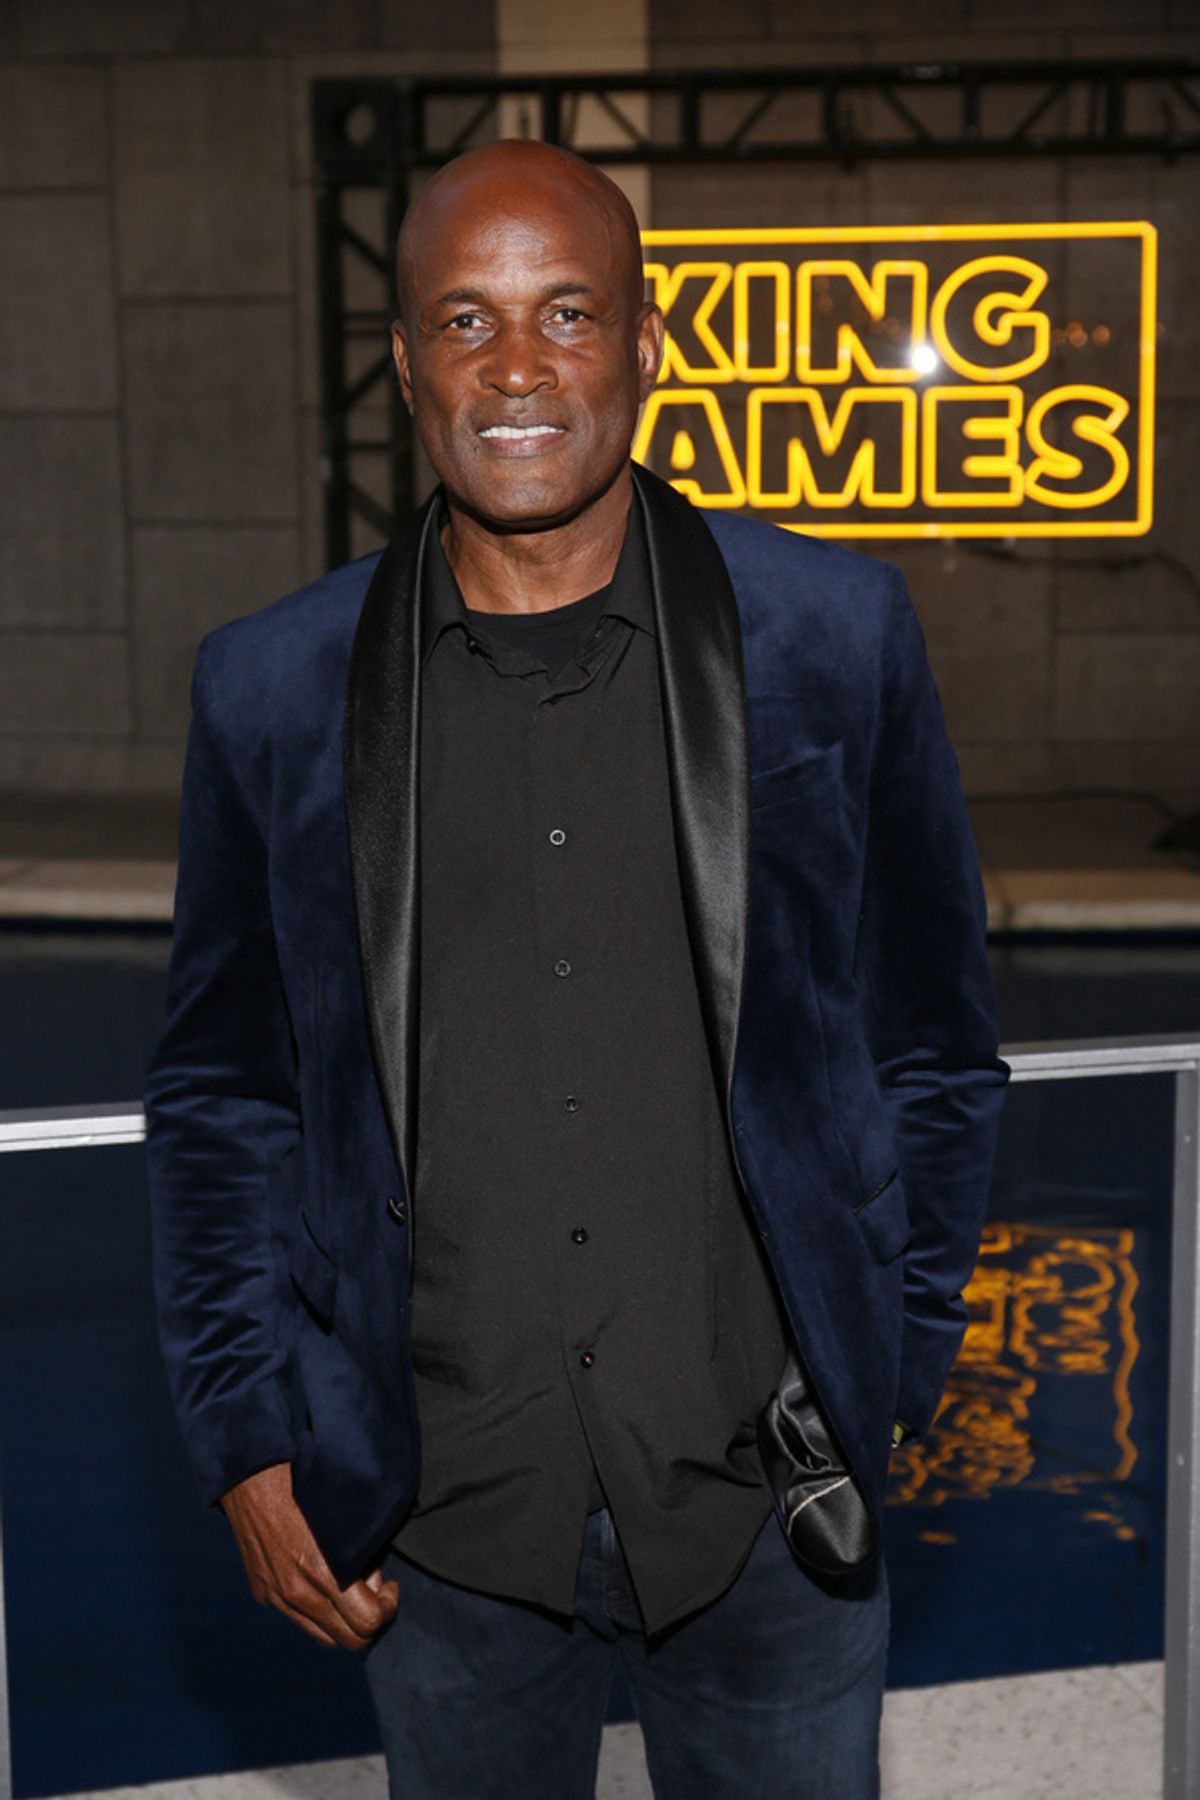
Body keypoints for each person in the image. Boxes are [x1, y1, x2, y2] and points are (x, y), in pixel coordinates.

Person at [145, 138, 1010, 1798]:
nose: (519, 366)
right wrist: (248, 1434)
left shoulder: (835, 637)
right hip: (439, 1534)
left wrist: (887, 1360)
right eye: (466, 321)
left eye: (568, 313)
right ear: (405, 363)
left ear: (646, 343)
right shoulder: (269, 690)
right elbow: (220, 1094)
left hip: (774, 1512)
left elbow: (937, 1047)